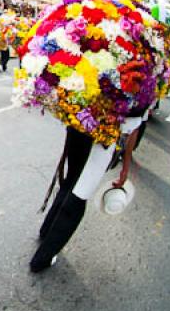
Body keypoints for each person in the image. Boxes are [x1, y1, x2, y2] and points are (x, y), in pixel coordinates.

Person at [31, 114, 143, 273]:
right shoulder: (145, 92)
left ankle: (46, 231)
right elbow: (134, 127)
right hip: (103, 139)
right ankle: (42, 259)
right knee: (78, 197)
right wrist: (125, 166)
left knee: (70, 181)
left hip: (82, 125)